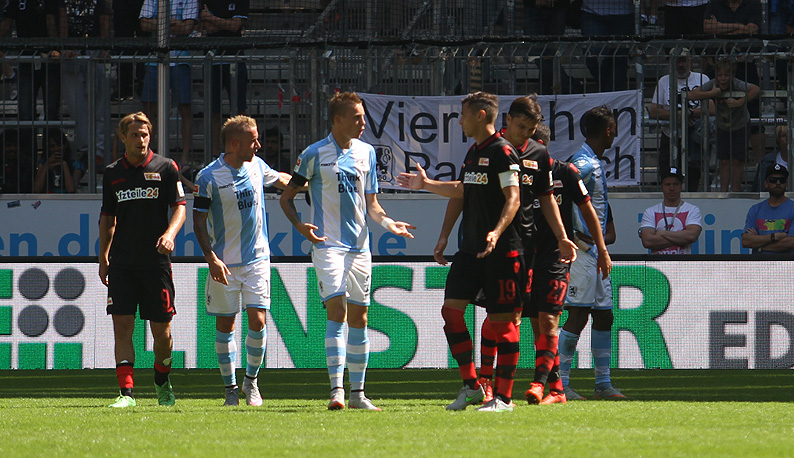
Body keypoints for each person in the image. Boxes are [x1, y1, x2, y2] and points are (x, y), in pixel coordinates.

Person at [280, 92, 414, 411]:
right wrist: (300, 226)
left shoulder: (367, 153)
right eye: (357, 117)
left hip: (360, 247)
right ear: (338, 120)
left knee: (360, 317)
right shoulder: (314, 154)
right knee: (337, 311)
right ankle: (337, 391)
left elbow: (372, 205)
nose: (363, 122)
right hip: (328, 245)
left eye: (363, 116)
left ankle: (358, 395)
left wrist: (389, 223)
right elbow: (287, 197)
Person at [397, 92, 530, 412]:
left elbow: (513, 197)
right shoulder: (474, 152)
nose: (460, 121)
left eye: (463, 115)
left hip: (501, 251)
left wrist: (496, 232)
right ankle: (472, 386)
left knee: (503, 324)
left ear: (481, 115)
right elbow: (462, 191)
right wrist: (428, 192)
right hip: (469, 249)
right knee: (451, 312)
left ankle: (504, 398)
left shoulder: (503, 151)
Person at [476, 120, 610, 406]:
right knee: (501, 320)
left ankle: (541, 384)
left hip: (552, 258)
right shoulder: (513, 173)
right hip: (519, 256)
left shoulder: (565, 172)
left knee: (546, 323)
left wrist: (602, 249)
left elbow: (588, 210)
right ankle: (489, 382)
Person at [193, 115, 290, 406]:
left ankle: (251, 381)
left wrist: (313, 183)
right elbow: (198, 222)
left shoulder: (257, 166)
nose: (258, 145)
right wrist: (211, 258)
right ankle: (230, 389)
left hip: (257, 259)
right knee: (226, 325)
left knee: (258, 321)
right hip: (224, 264)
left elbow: (282, 179)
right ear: (235, 144)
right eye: (253, 140)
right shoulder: (208, 177)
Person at [99, 112, 187, 408]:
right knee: (123, 328)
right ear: (123, 137)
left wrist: (170, 234)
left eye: (145, 134)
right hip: (123, 264)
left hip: (155, 264)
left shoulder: (166, 167)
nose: (141, 140)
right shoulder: (112, 173)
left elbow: (180, 207)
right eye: (135, 135)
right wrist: (103, 257)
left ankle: (162, 381)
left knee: (162, 333)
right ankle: (126, 394)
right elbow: (108, 217)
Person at [558, 105, 628, 401]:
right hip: (583, 252)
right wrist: (572, 236)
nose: (614, 133)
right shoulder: (583, 164)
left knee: (604, 316)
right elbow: (558, 196)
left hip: (597, 252)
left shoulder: (593, 162)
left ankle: (603, 384)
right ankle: (560, 384)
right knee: (578, 315)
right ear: (609, 130)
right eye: (613, 128)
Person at [140, 0, 198, 179]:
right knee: (149, 109)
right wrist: (172, 24)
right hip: (155, 60)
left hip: (181, 59)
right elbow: (144, 24)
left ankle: (185, 158)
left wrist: (160, 24)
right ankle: (148, 156)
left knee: (185, 108)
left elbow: (187, 28)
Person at [1, 0, 60, 174]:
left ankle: (51, 161)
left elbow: (51, 21)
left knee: (51, 112)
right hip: (26, 60)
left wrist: (55, 46)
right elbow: (7, 22)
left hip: (49, 60)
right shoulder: (16, 1)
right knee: (26, 113)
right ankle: (28, 163)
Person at [688, 58, 760, 192]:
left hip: (740, 124)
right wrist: (712, 93)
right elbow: (691, 95)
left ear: (732, 76)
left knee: (738, 161)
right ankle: (724, 192)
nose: (723, 79)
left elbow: (756, 89)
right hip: (722, 125)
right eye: (720, 75)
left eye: (726, 75)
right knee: (725, 161)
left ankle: (736, 192)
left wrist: (740, 102)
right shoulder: (713, 84)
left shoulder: (737, 84)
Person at [59, 0, 113, 176]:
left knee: (100, 107)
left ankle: (99, 152)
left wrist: (104, 48)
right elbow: (62, 19)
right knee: (77, 106)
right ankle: (86, 152)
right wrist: (64, 47)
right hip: (72, 52)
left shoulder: (101, 2)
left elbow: (104, 19)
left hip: (96, 51)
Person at [648, 48, 714, 191]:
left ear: (690, 61)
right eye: (677, 61)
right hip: (670, 136)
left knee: (693, 179)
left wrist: (689, 113)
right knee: (667, 176)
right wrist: (680, 114)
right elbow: (654, 111)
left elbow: (711, 109)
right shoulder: (664, 81)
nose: (681, 65)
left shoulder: (702, 79)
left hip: (694, 138)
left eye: (683, 61)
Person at [201, 0, 249, 157]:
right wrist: (225, 23)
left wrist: (211, 18)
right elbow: (209, 28)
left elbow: (235, 26)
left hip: (236, 57)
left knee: (239, 111)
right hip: (212, 60)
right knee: (213, 111)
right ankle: (214, 156)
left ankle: (238, 153)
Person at [639, 167, 703, 254]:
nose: (672, 188)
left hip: (682, 262)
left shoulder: (692, 210)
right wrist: (681, 239)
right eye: (667, 184)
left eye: (675, 184)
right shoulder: (650, 211)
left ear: (681, 186)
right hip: (657, 262)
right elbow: (647, 241)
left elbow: (691, 236)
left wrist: (662, 233)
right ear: (662, 186)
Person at [580, 0, 633, 92]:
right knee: (591, 55)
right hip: (592, 12)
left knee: (619, 57)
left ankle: (614, 92)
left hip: (624, 14)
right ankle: (606, 89)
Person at [742, 164, 794, 253]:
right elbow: (746, 241)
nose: (778, 183)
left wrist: (759, 247)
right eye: (773, 180)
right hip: (759, 262)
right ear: (766, 183)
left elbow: (791, 242)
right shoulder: (755, 209)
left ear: (786, 183)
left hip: (786, 262)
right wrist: (774, 237)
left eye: (782, 180)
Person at [33, 128, 77, 193]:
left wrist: (64, 165)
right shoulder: (43, 163)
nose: (56, 149)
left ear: (65, 145)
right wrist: (46, 165)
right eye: (52, 146)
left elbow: (71, 189)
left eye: (59, 145)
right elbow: (36, 189)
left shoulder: (76, 164)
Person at [753, 125, 788, 191]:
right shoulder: (767, 161)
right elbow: (758, 187)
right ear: (778, 139)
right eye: (783, 136)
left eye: (790, 136)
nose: (787, 139)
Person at [0, 128, 34, 193]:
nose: (12, 148)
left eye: (15, 145)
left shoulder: (27, 163)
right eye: (8, 145)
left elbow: (25, 185)